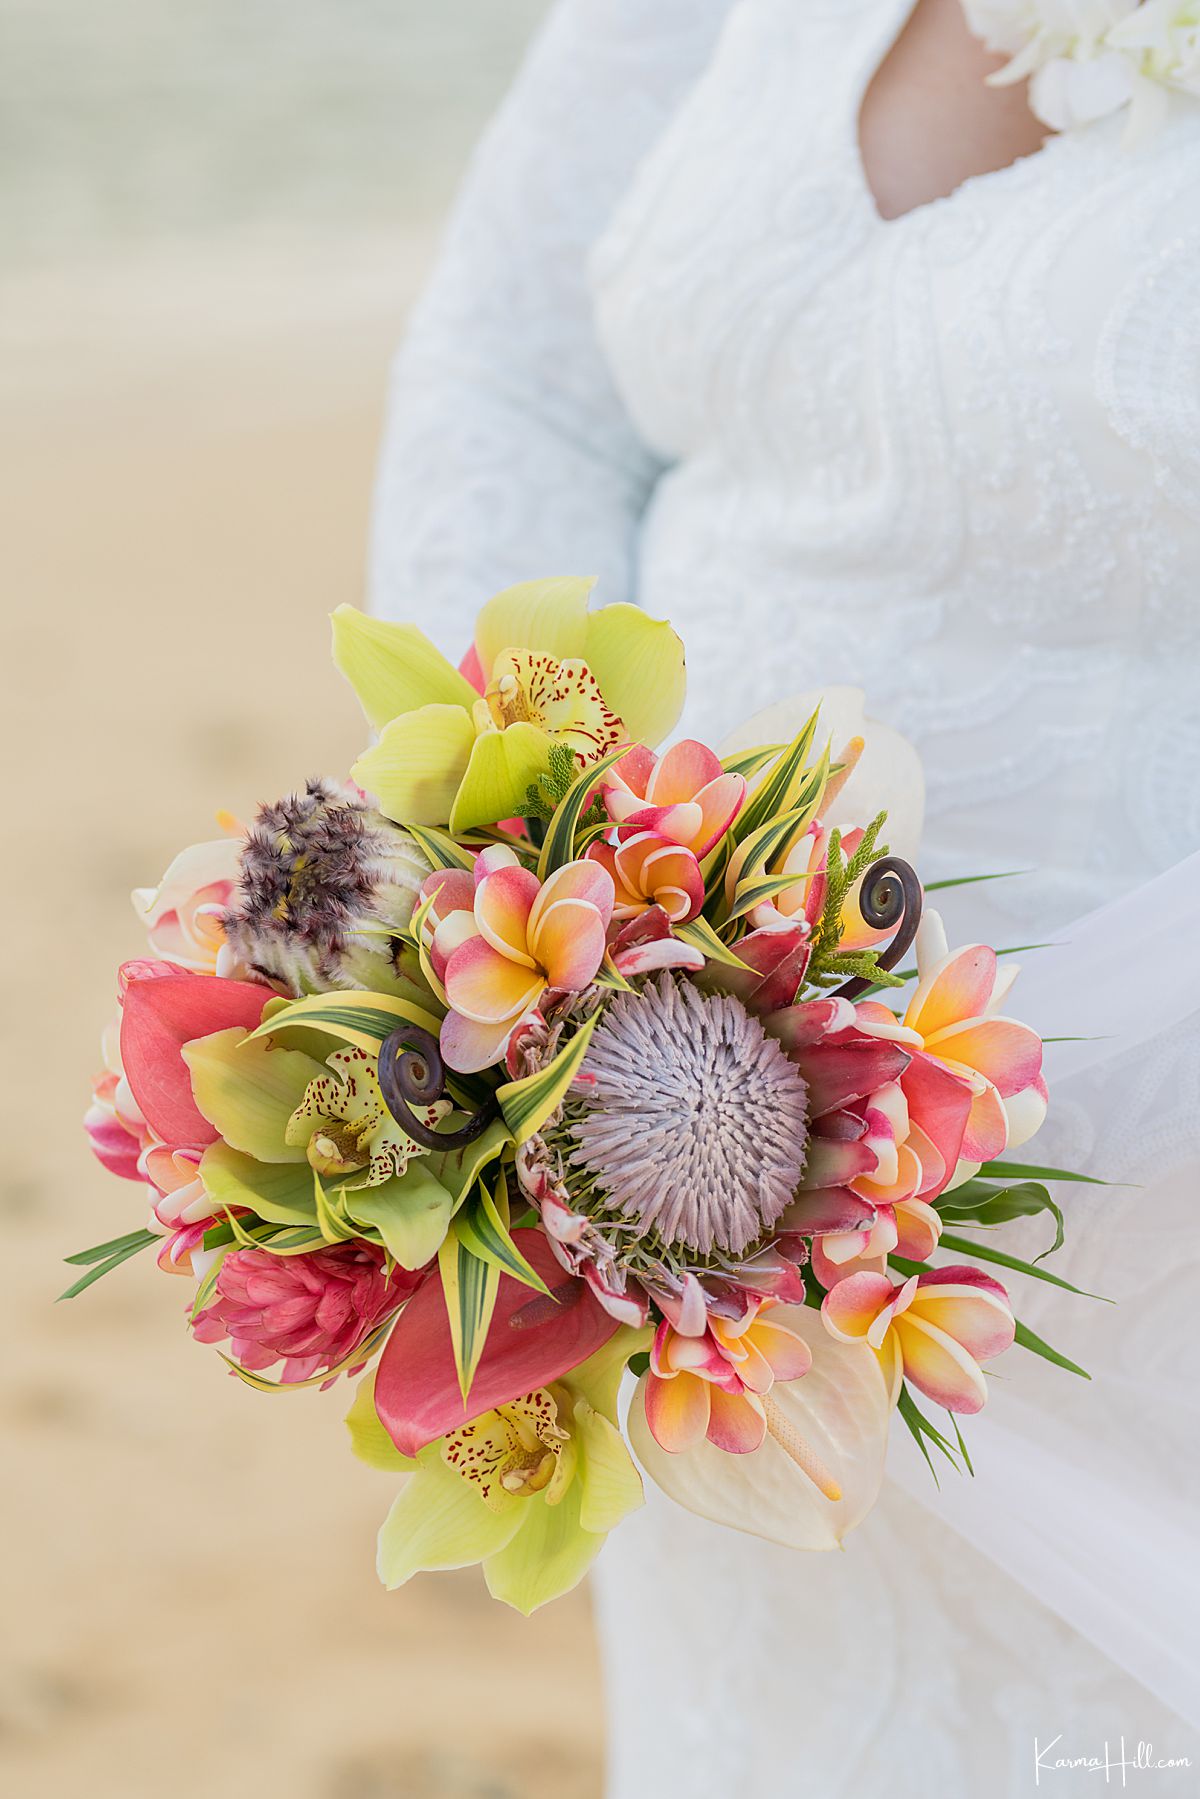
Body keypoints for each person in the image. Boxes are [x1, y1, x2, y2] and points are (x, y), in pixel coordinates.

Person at [368, 2, 1200, 1790]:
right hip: (648, 1203)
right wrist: (489, 897)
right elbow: (510, 375)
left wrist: (1058, 1100)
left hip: (1136, 1241)